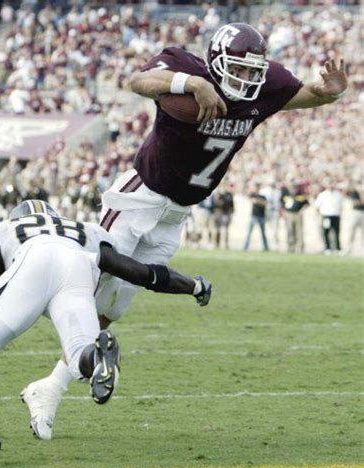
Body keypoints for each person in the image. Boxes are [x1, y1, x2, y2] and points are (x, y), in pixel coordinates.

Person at [25, 22, 348, 438]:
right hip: (139, 196)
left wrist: (331, 91)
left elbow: (308, 95)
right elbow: (138, 80)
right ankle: (22, 296)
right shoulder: (183, 65)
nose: (248, 79)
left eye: (253, 72)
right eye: (239, 69)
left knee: (112, 308)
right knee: (88, 278)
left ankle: (49, 387)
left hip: (176, 215)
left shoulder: (266, 86)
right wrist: (191, 83)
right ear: (215, 61)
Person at [0, 200, 212, 464]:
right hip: (78, 267)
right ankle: (97, 358)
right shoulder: (86, 230)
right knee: (80, 356)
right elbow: (140, 272)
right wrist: (193, 286)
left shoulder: (6, 229)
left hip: (32, 260)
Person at [315, 182, 343, 254]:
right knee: (326, 232)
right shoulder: (322, 195)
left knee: (336, 232)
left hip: (335, 215)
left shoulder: (338, 194)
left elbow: (341, 206)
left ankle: (338, 248)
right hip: (326, 216)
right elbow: (317, 206)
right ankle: (327, 248)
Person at [282, 184, 308, 253]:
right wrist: (284, 213)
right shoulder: (286, 196)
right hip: (289, 214)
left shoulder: (300, 196)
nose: (292, 191)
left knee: (299, 231)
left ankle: (300, 248)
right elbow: (282, 204)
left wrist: (301, 211)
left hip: (297, 214)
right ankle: (291, 247)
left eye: (294, 189)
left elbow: (306, 204)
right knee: (290, 231)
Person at [243, 183, 269, 252]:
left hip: (261, 216)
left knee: (263, 233)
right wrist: (260, 202)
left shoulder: (263, 196)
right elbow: (252, 200)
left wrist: (258, 201)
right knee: (249, 233)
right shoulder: (253, 195)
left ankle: (266, 247)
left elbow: (265, 203)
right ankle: (245, 247)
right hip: (254, 216)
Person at [213, 185, 234, 249]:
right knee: (218, 229)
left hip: (226, 213)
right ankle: (217, 244)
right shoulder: (218, 194)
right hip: (219, 213)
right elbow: (215, 204)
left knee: (226, 230)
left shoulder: (229, 194)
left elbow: (232, 205)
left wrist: (231, 212)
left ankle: (226, 244)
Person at [347, 184, 364, 254]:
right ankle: (349, 247)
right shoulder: (354, 193)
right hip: (356, 213)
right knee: (352, 230)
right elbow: (357, 203)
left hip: (363, 213)